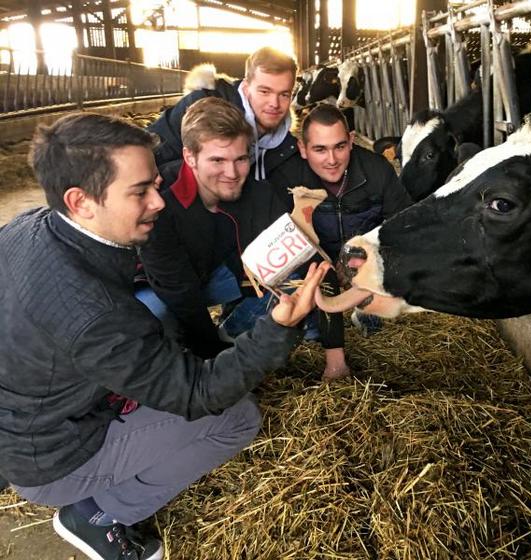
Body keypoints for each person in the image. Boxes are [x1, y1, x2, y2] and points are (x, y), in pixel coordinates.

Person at [0, 112, 328, 560]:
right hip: (51, 457)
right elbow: (198, 393)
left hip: (25, 419)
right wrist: (277, 329)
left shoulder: (28, 226)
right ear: (81, 201)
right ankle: (98, 515)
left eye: (155, 184)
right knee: (237, 418)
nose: (159, 201)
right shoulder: (97, 313)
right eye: (140, 192)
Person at [137, 96, 287, 358]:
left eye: (241, 159)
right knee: (156, 325)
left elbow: (291, 261)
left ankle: (231, 328)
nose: (232, 173)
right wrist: (214, 354)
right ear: (190, 157)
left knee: (290, 281)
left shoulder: (258, 192)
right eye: (217, 161)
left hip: (216, 274)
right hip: (160, 286)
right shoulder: (160, 202)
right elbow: (178, 291)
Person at [278, 103, 412, 379]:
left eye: (340, 146)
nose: (332, 159)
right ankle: (333, 356)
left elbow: (401, 225)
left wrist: (359, 263)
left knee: (374, 322)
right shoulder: (289, 178)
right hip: (315, 266)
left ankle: (363, 313)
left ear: (351, 140)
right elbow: (284, 238)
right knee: (308, 326)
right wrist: (324, 269)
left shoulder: (376, 170)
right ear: (302, 148)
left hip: (366, 264)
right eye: (319, 149)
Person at [148, 46, 298, 183]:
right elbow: (151, 154)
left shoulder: (289, 145)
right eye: (264, 92)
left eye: (284, 94)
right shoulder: (202, 106)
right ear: (246, 88)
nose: (274, 103)